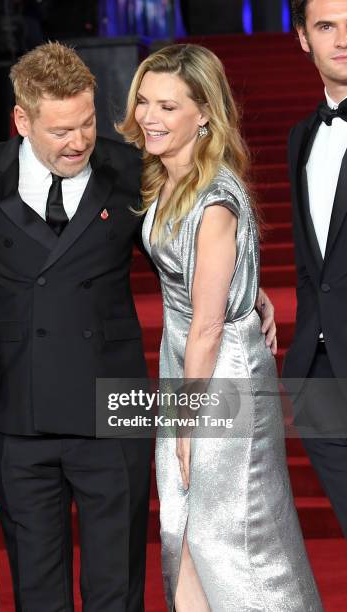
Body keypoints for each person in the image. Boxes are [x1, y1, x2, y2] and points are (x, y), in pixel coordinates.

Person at [0, 41, 277, 611]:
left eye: (87, 123)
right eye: (59, 131)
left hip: (113, 405)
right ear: (22, 120)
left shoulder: (129, 169)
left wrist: (246, 289)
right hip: (19, 411)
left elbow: (181, 247)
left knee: (114, 588)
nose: (78, 142)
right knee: (37, 588)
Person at [117, 44, 322, 611]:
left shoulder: (214, 196)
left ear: (204, 113)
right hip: (185, 368)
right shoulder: (163, 178)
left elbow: (208, 326)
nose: (149, 117)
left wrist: (187, 424)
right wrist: (248, 285)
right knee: (182, 529)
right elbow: (201, 281)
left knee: (233, 539)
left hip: (217, 375)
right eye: (143, 101)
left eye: (167, 106)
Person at [283, 0, 347, 538]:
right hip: (320, 369)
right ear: (304, 37)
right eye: (327, 26)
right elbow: (313, 261)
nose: (343, 39)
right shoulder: (301, 137)